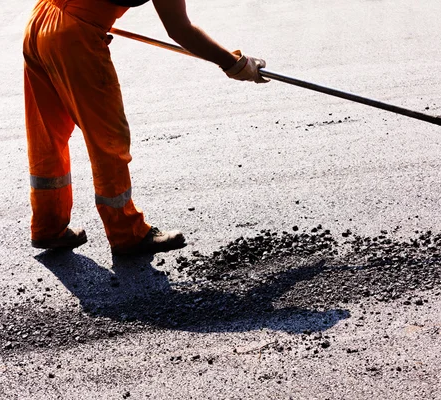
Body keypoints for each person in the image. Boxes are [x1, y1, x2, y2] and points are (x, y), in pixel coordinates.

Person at [23, 0, 268, 255]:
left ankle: (48, 226)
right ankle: (127, 233)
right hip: (72, 37)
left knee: (47, 134)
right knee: (108, 139)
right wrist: (235, 64)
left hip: (39, 21)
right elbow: (180, 29)